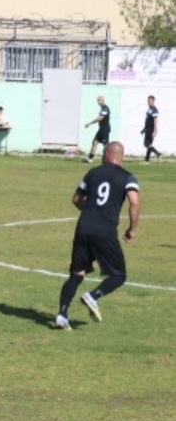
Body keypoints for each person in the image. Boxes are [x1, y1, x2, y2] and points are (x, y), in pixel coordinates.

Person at [54, 141, 140, 330]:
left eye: (103, 152)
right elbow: (134, 202)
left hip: (83, 227)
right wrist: (132, 229)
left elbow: (76, 199)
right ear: (121, 156)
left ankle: (62, 315)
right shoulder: (127, 177)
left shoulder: (93, 173)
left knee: (76, 275)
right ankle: (93, 296)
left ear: (108, 153)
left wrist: (90, 211)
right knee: (119, 275)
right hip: (105, 231)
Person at [84, 95, 111, 163]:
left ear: (104, 100)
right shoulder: (102, 108)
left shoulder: (105, 108)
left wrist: (90, 123)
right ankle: (90, 158)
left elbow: (100, 118)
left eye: (100, 100)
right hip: (101, 129)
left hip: (104, 129)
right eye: (98, 100)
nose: (99, 102)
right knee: (95, 142)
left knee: (106, 145)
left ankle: (108, 159)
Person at [142, 95, 162, 162]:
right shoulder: (149, 109)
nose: (148, 102)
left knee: (147, 144)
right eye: (148, 100)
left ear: (153, 101)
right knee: (148, 144)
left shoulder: (154, 110)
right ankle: (148, 159)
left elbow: (155, 119)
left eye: (150, 100)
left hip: (151, 129)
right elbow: (147, 119)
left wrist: (155, 130)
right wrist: (144, 129)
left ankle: (157, 153)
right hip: (147, 128)